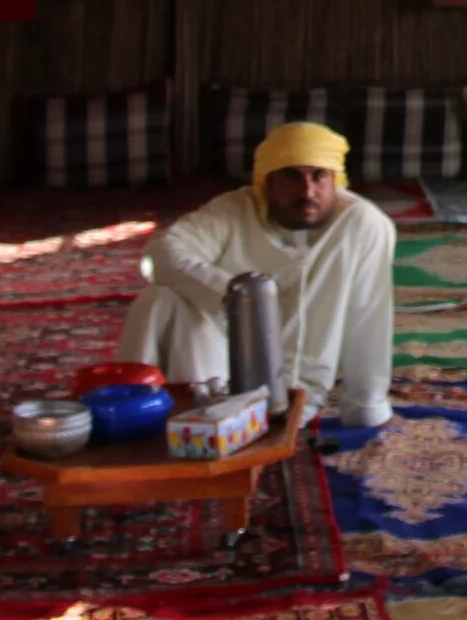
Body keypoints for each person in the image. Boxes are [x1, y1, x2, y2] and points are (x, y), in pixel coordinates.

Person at [119, 121, 395, 428]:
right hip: (215, 370)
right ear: (267, 182)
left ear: (335, 181)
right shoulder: (236, 209)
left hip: (295, 392)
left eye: (319, 176)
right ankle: (133, 411)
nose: (307, 190)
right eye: (292, 176)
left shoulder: (361, 223)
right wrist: (236, 302)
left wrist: (366, 407)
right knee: (160, 297)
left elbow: (368, 315)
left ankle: (206, 426)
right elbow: (161, 254)